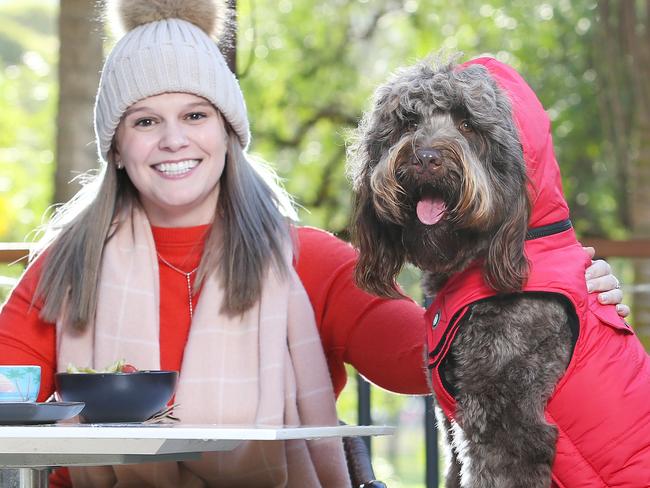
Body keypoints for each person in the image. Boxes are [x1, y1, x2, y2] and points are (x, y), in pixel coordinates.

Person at [0, 0, 626, 487]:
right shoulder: (66, 267)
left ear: (228, 131)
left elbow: (434, 357)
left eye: (195, 115)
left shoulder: (308, 260)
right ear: (116, 145)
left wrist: (564, 302)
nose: (172, 140)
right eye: (145, 121)